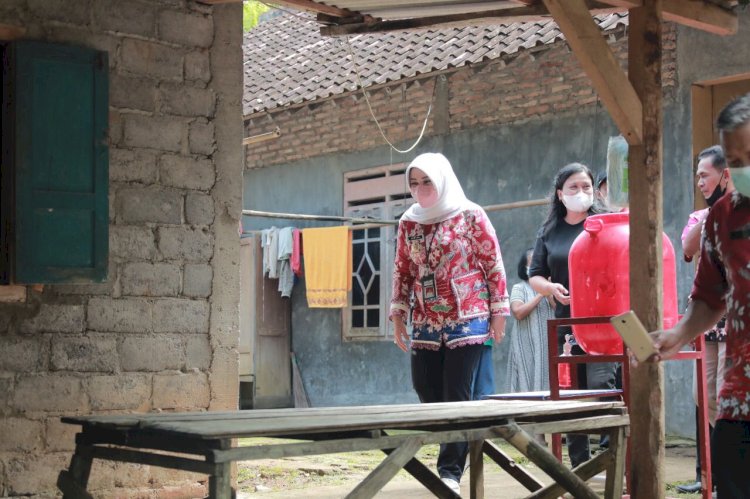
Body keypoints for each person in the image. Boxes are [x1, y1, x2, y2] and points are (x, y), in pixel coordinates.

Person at [391, 152, 509, 494]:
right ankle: (462, 444)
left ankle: (450, 472)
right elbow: (402, 269)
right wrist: (398, 314)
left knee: (457, 394)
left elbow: (494, 264)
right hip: (426, 320)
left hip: (468, 317)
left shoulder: (470, 215)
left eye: (427, 180)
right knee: (426, 388)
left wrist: (498, 314)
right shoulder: (408, 222)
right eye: (414, 182)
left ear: (441, 179)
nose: (420, 188)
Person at [651, 94, 750, 497]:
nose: (743, 169)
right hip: (739, 399)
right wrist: (676, 334)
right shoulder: (723, 217)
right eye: (736, 160)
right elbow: (710, 297)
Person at [528, 162, 617, 468]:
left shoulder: (604, 224)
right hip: (566, 323)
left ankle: (611, 459)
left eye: (587, 187)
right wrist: (550, 287)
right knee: (571, 392)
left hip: (602, 321)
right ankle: (580, 465)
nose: (581, 193)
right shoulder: (549, 231)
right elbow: (535, 274)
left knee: (604, 385)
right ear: (560, 194)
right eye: (573, 188)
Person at [677, 145, 733, 494]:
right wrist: (714, 210)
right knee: (705, 396)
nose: (699, 180)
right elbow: (687, 246)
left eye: (704, 174)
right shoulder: (700, 216)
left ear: (724, 175)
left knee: (730, 395)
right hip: (707, 320)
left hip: (736, 319)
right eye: (697, 175)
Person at [508, 248, 554, 393]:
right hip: (526, 345)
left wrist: (548, 289)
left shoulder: (552, 288)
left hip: (548, 345)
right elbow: (518, 312)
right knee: (525, 381)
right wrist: (541, 293)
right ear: (525, 268)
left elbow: (558, 308)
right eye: (533, 262)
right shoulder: (520, 288)